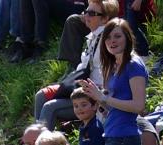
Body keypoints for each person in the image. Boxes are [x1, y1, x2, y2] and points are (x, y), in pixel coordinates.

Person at [32, 0, 115, 130]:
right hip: (82, 88)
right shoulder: (93, 37)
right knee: (42, 95)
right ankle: (35, 141)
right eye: (86, 11)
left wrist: (82, 89)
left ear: (105, 19)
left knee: (50, 107)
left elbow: (105, 80)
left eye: (92, 13)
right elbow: (82, 69)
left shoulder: (108, 42)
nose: (86, 16)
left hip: (96, 96)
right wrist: (66, 84)